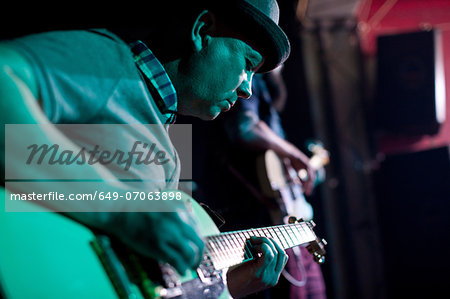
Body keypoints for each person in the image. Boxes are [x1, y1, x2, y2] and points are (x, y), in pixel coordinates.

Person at [0, 1, 293, 297]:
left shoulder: (171, 140)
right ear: (202, 31)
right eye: (248, 65)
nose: (248, 89)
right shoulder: (111, 64)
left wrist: (232, 285)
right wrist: (120, 207)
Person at [198, 68, 327, 298]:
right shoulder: (250, 79)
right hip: (262, 226)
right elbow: (245, 128)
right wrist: (297, 155)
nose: (280, 63)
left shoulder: (265, 93)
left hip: (284, 227)